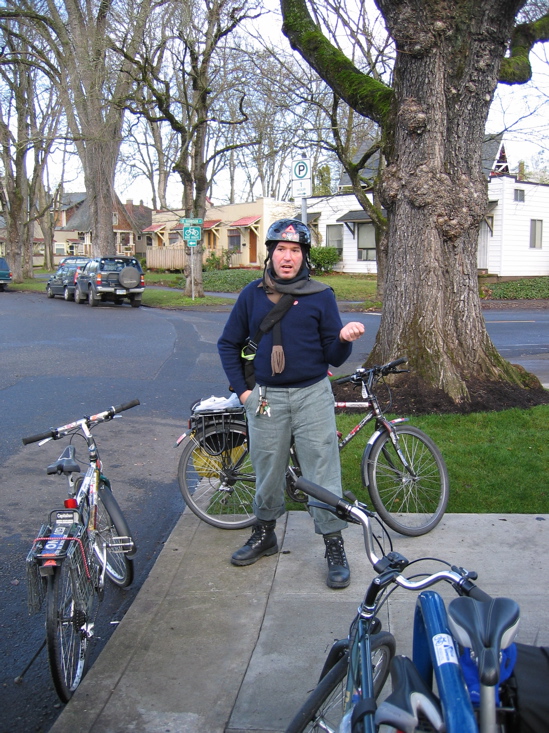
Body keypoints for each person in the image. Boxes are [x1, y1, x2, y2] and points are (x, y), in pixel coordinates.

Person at [217, 218, 365, 589]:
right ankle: (265, 534)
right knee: (267, 472)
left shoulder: (321, 295)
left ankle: (334, 545)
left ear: (304, 256)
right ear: (270, 254)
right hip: (265, 398)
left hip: (313, 395)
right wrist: (244, 392)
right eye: (280, 249)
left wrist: (344, 338)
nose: (287, 257)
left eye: (295, 250)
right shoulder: (251, 295)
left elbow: (332, 354)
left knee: (322, 472)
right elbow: (228, 344)